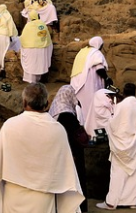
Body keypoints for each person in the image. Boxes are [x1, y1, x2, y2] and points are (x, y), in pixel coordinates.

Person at [0, 83, 86, 213]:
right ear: (46, 104)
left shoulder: (10, 126)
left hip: (14, 196)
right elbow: (66, 168)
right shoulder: (57, 130)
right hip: (43, 199)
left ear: (24, 102)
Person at [100, 84, 136, 210]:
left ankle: (111, 202)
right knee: (134, 174)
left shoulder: (121, 106)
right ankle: (133, 202)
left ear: (124, 92)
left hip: (120, 145)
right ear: (135, 92)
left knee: (117, 173)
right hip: (135, 146)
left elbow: (113, 123)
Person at [48, 85, 89, 213]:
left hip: (58, 156)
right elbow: (75, 137)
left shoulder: (53, 114)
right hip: (72, 156)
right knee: (75, 184)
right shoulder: (67, 116)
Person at [71, 36, 109, 133]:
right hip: (89, 85)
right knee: (92, 111)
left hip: (77, 85)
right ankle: (92, 134)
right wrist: (107, 79)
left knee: (82, 110)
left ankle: (82, 133)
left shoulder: (82, 52)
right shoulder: (96, 53)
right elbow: (100, 69)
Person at [18, 10, 52, 83]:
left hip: (31, 49)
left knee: (32, 67)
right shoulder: (42, 24)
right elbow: (48, 38)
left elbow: (23, 38)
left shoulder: (29, 25)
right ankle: (38, 80)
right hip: (42, 49)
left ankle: (31, 82)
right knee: (38, 65)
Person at [0, 4, 20, 80]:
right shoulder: (7, 15)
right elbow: (11, 26)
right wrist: (11, 35)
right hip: (3, 36)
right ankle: (2, 68)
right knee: (3, 52)